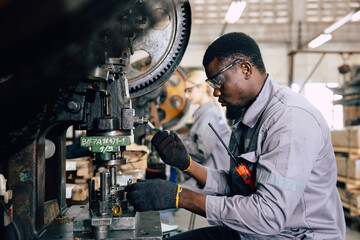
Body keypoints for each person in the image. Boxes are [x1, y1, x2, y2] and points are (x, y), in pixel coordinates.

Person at [125, 32, 346, 239]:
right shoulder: (249, 115)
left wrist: (181, 197)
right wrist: (188, 165)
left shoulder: (289, 120)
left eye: (219, 82)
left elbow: (268, 215)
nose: (216, 92)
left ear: (245, 69)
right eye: (212, 84)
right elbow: (239, 184)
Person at [182, 70, 230, 171]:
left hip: (214, 177)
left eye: (189, 90)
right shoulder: (206, 113)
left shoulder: (210, 115)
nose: (186, 95)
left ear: (202, 87)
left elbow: (201, 152)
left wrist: (176, 143)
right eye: (185, 91)